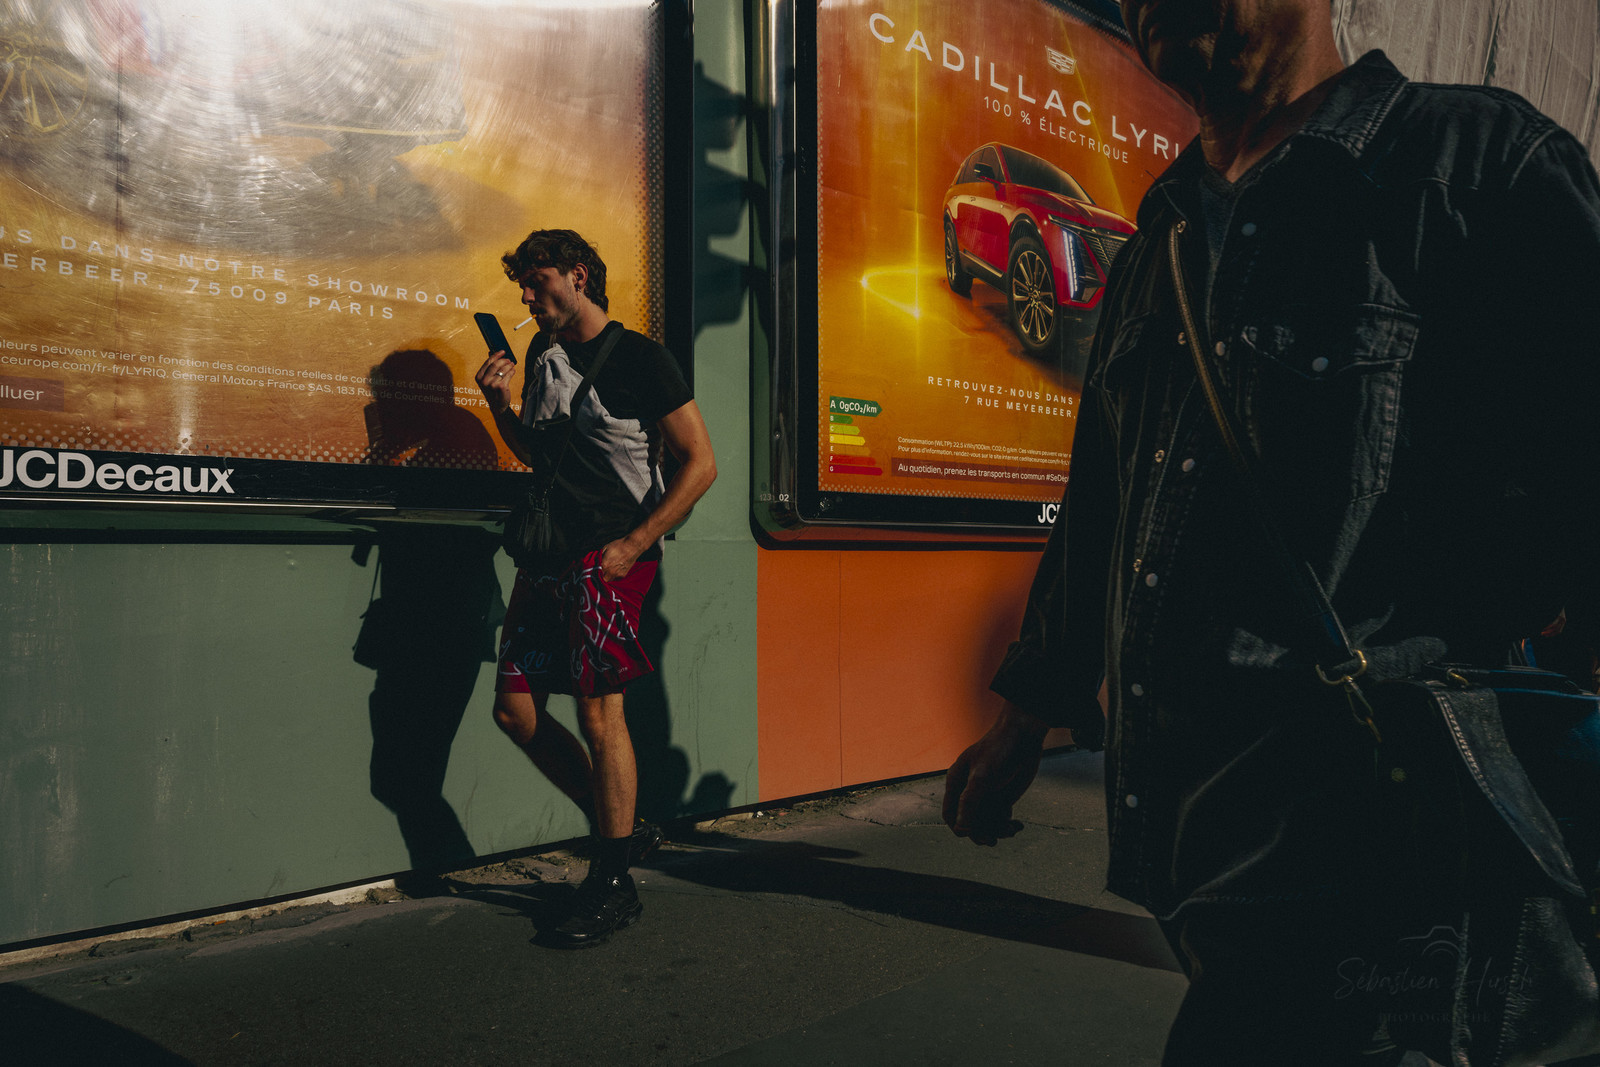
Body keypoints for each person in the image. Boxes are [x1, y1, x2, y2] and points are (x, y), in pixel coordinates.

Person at [942, 1, 1600, 1061]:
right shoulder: (1160, 229)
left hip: (1394, 852)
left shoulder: (1476, 169)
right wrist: (1028, 711)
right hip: (1194, 844)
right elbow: (1100, 494)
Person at [476, 228, 716, 947]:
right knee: (515, 711)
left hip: (609, 556)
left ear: (578, 276)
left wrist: (635, 544)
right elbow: (539, 459)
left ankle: (613, 882)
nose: (525, 294)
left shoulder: (643, 358)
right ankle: (625, 827)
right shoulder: (544, 356)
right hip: (545, 556)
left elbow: (700, 463)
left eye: (535, 279)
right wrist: (499, 406)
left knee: (599, 714)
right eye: (520, 283)